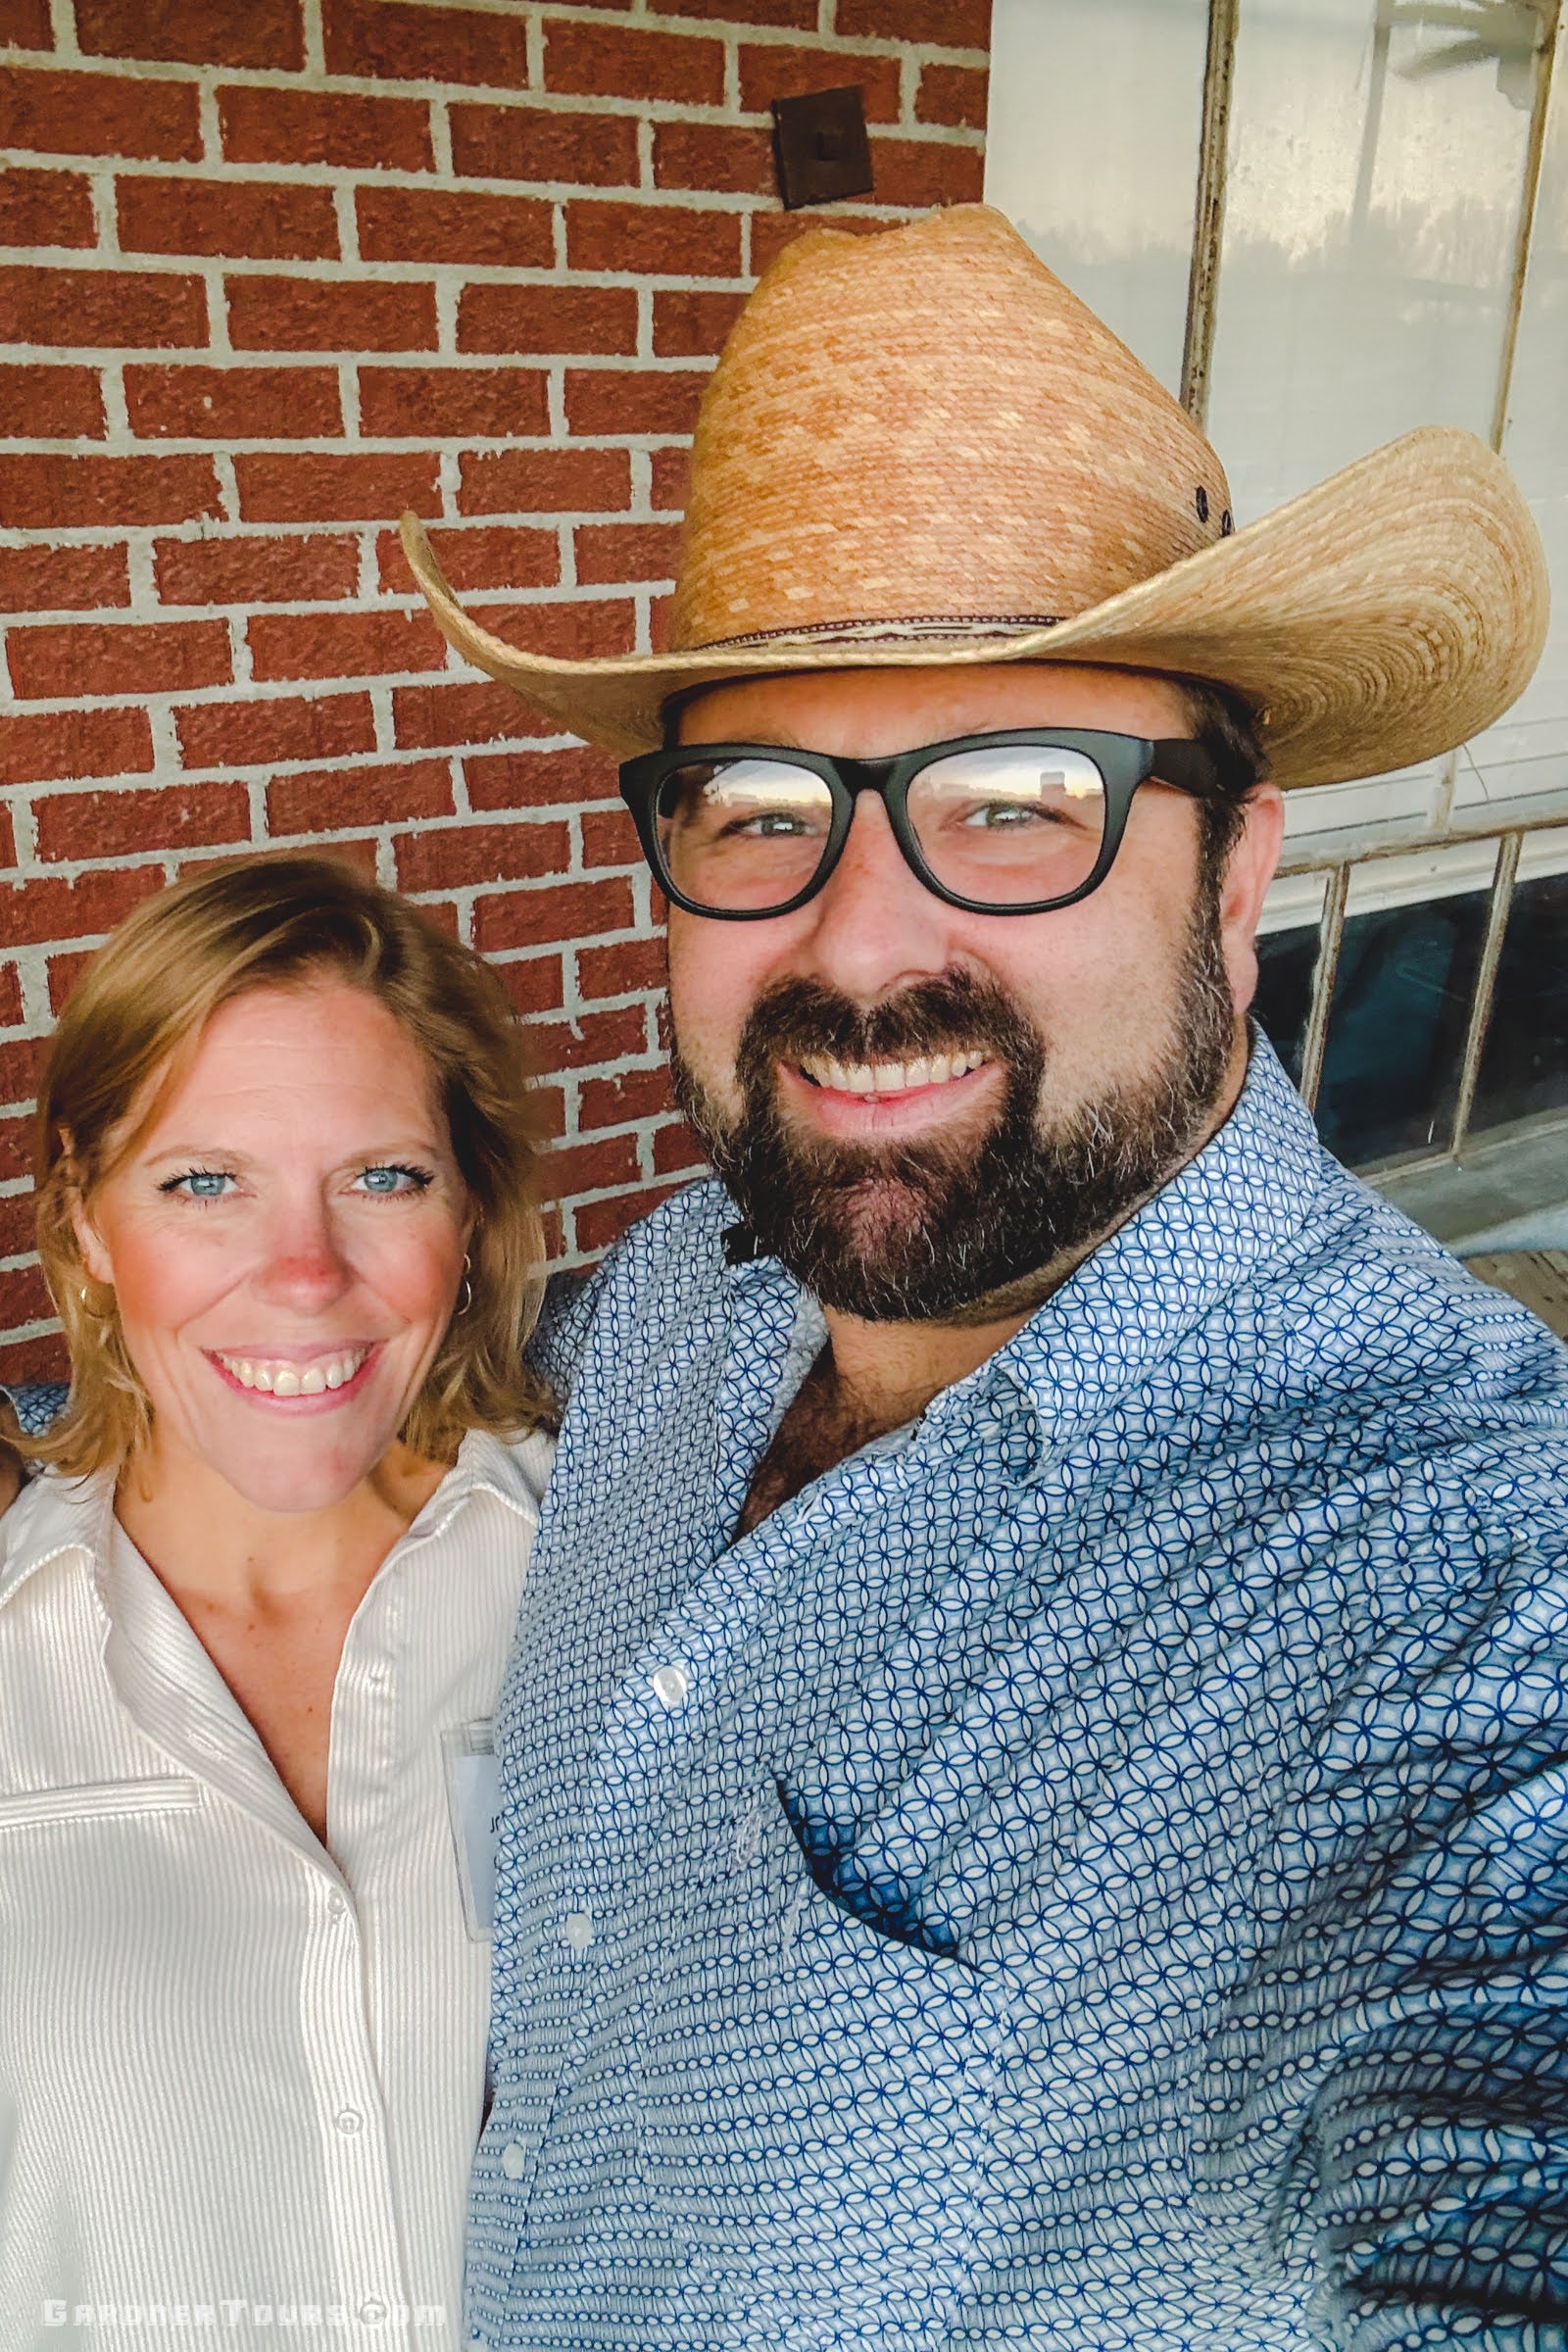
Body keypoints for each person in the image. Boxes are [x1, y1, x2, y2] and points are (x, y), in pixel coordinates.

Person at [401, 207, 1568, 2349]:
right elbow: (412, 1373)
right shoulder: (687, 1290)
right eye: (758, 805)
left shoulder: (1451, 1571)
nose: (855, 942)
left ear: (1234, 876)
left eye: (1020, 801)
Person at [0, 855, 554, 2349]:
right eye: (204, 1183)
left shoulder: (614, 1575)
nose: (305, 1275)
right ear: (87, 1221)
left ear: (468, 1209)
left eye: (384, 1178)